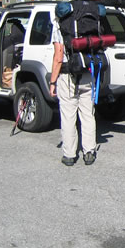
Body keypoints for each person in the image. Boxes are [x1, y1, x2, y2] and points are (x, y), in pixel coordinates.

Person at [49, 19, 97, 166]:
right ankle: (89, 152)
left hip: (68, 77)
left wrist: (52, 82)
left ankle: (69, 155)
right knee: (88, 115)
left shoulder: (60, 27)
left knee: (68, 116)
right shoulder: (89, 25)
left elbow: (58, 57)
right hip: (88, 75)